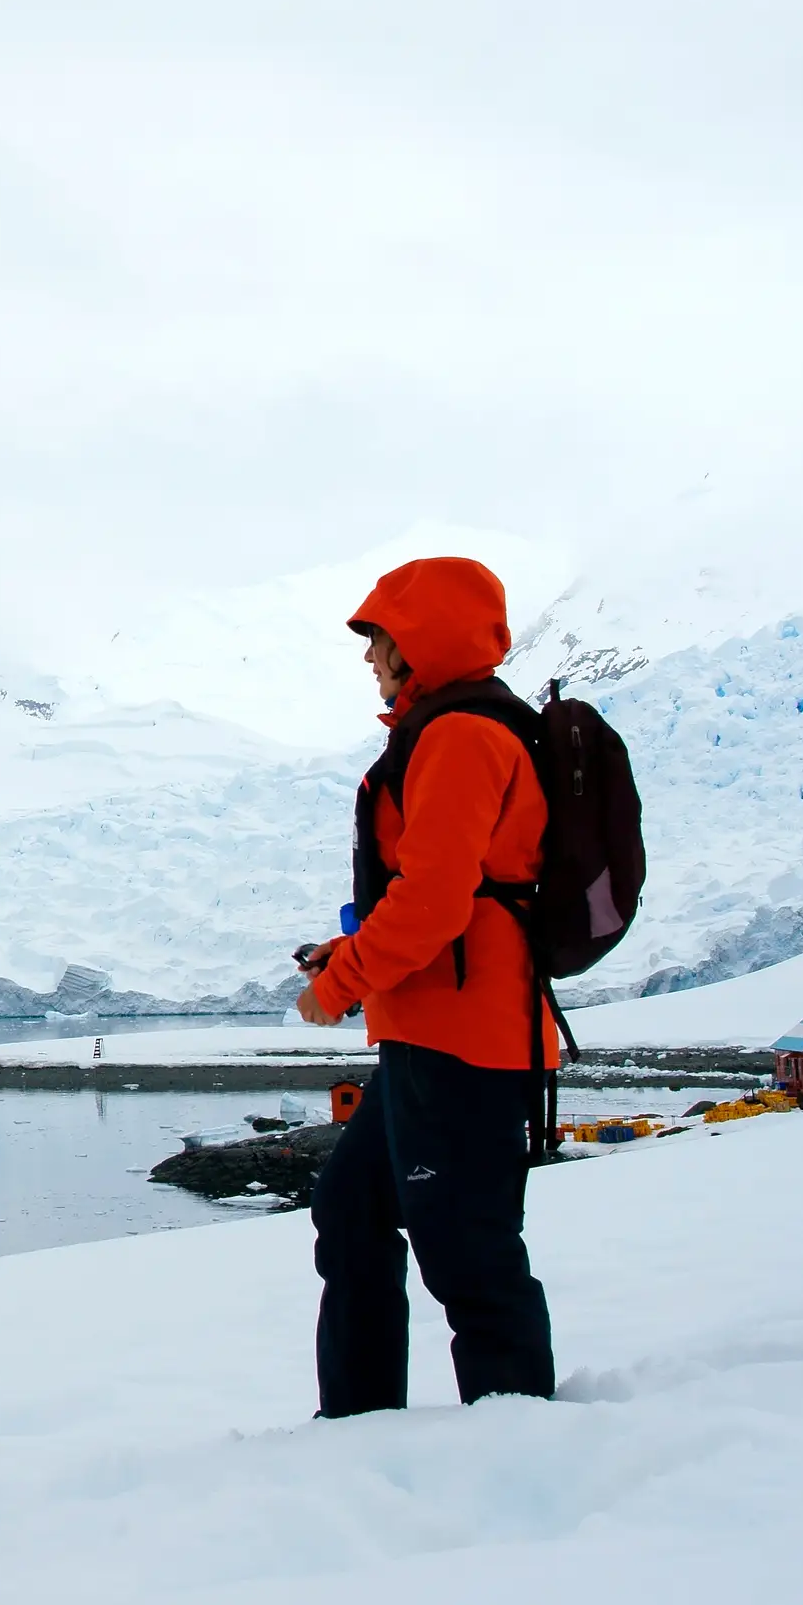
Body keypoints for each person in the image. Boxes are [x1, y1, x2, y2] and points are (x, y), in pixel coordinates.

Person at [290, 555, 558, 1413]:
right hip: (431, 1033)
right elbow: (449, 899)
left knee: (468, 1253)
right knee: (352, 1211)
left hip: (466, 1040)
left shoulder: (461, 735)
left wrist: (342, 985)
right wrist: (350, 961)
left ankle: (520, 1443)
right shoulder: (444, 729)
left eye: (380, 638)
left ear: (422, 639)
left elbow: (437, 901)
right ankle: (360, 1427)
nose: (370, 657)